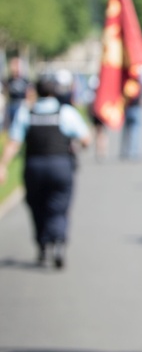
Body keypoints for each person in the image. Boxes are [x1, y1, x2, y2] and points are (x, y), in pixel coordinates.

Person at [0, 73, 91, 267]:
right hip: (60, 165)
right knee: (59, 206)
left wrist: (3, 165)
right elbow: (85, 139)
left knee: (37, 206)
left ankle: (42, 243)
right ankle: (58, 240)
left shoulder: (27, 112)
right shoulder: (65, 112)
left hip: (34, 166)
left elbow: (14, 142)